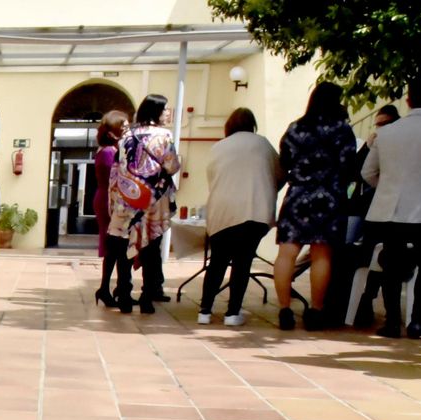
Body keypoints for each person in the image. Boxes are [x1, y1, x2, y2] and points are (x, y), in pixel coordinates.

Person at [361, 73, 421, 339]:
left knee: (391, 265)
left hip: (390, 209)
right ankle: (418, 321)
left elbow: (367, 172)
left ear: (408, 100)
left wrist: (388, 186)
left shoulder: (386, 132)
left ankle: (392, 322)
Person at [273, 82, 356, 332]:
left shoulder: (295, 128)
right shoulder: (342, 130)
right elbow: (349, 165)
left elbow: (284, 160)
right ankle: (316, 310)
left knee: (286, 253)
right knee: (322, 255)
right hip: (329, 197)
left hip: (298, 195)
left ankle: (284, 309)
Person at [199, 108, 281, 326]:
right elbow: (279, 173)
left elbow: (212, 177)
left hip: (222, 210)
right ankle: (232, 313)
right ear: (252, 124)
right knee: (242, 263)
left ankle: (204, 311)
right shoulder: (263, 144)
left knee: (217, 261)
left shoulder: (218, 147)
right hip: (254, 210)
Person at [106, 93, 181, 315]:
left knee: (123, 249)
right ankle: (147, 297)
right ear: (156, 111)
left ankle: (124, 295)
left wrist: (114, 201)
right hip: (152, 201)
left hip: (126, 199)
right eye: (165, 109)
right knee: (150, 248)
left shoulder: (126, 136)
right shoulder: (164, 136)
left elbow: (116, 170)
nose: (167, 113)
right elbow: (172, 166)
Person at [344, 104, 398, 329]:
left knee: (380, 253)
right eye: (377, 125)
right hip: (367, 210)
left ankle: (367, 298)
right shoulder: (374, 145)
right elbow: (357, 171)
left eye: (384, 124)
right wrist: (367, 146)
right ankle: (362, 300)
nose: (379, 129)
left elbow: (366, 173)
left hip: (388, 212)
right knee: (363, 250)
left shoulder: (397, 144)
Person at [93, 110, 130, 308]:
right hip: (110, 200)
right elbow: (115, 180)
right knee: (115, 246)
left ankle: (106, 288)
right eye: (123, 126)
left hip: (108, 198)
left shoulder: (108, 150)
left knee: (113, 248)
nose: (127, 129)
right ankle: (108, 288)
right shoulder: (109, 152)